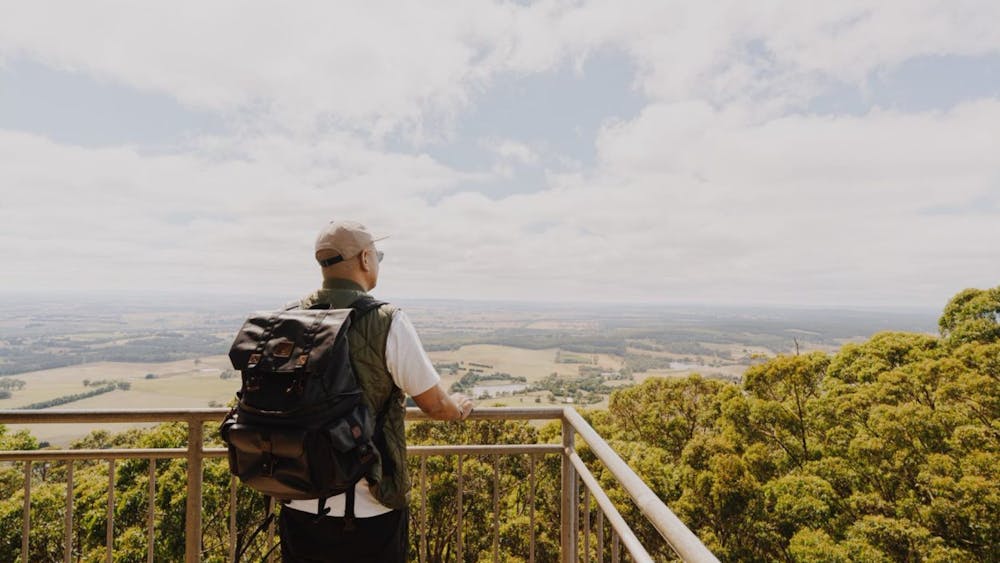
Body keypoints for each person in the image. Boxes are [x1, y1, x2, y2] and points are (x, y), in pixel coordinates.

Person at [278, 220, 474, 563]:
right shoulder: (387, 321)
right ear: (365, 259)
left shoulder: (289, 318)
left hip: (299, 501)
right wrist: (456, 406)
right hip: (368, 505)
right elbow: (434, 404)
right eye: (377, 255)